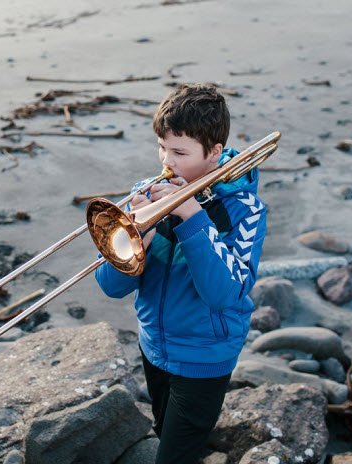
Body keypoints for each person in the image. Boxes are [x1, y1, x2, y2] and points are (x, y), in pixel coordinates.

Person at [94, 83, 267, 464]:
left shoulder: (245, 211)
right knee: (163, 432)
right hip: (154, 345)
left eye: (179, 152)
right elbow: (111, 287)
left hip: (205, 356)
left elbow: (225, 294)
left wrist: (191, 217)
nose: (166, 162)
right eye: (161, 147)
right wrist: (138, 236)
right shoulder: (150, 191)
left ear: (214, 153)